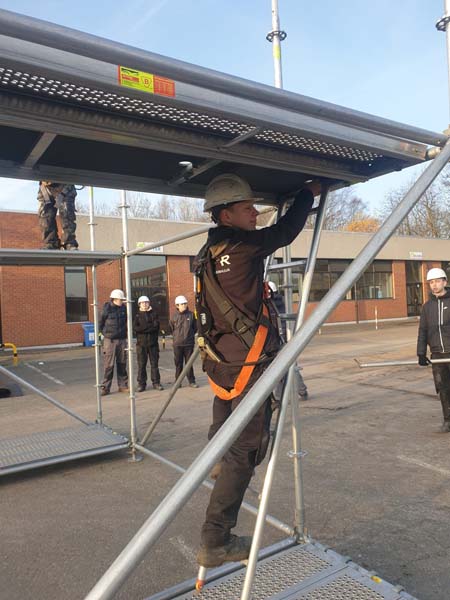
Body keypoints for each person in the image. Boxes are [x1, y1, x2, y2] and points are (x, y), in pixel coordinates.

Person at [194, 173, 317, 568]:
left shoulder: (206, 254)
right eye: (247, 209)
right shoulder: (245, 247)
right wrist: (306, 196)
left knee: (225, 437)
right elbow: (287, 230)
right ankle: (216, 539)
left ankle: (217, 460)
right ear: (226, 214)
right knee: (246, 450)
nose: (255, 215)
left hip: (223, 361)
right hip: (249, 361)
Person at [417, 267, 450, 432]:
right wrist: (421, 353)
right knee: (442, 388)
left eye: (437, 281)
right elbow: (422, 330)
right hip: (437, 355)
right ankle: (448, 421)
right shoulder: (427, 307)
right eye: (431, 282)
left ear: (445, 281)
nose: (434, 285)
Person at [268, 280, 309, 400]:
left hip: (281, 339)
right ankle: (295, 392)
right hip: (280, 338)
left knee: (285, 367)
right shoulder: (277, 302)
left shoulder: (275, 304)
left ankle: (297, 392)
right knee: (285, 367)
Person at [99, 289, 128, 396]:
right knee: (109, 365)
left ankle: (123, 385)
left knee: (122, 363)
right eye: (121, 299)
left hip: (122, 340)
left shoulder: (124, 309)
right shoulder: (107, 309)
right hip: (110, 340)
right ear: (115, 299)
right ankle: (106, 387)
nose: (122, 301)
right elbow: (100, 323)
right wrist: (105, 334)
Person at [134, 295, 163, 392]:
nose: (145, 304)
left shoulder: (154, 314)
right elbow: (136, 329)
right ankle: (141, 384)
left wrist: (144, 328)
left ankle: (156, 382)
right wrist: (148, 327)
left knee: (154, 364)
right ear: (139, 304)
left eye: (146, 302)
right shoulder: (137, 315)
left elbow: (156, 327)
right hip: (141, 344)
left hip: (153, 344)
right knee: (141, 365)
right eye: (143, 303)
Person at [37, 181, 78, 250]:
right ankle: (51, 242)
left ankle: (69, 242)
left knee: (67, 214)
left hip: (65, 184)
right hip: (46, 186)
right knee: (45, 215)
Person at [169, 295, 199, 388]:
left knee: (189, 363)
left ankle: (192, 381)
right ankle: (178, 382)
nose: (184, 305)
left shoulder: (191, 315)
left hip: (189, 343)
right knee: (178, 363)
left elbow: (195, 327)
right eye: (182, 304)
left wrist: (189, 336)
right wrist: (176, 337)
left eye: (185, 303)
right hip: (177, 344)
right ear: (177, 305)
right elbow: (171, 328)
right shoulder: (174, 317)